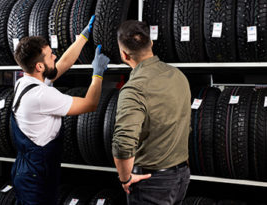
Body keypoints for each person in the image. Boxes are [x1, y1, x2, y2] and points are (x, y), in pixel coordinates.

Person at [10, 16, 110, 204]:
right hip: (36, 178)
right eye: (49, 55)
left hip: (28, 170)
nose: (54, 55)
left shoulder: (25, 81)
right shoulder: (41, 95)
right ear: (39, 66)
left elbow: (60, 66)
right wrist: (97, 74)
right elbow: (90, 104)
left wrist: (83, 37)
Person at [112, 20, 191, 205]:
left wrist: (125, 179)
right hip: (181, 176)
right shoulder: (178, 75)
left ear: (124, 54)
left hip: (151, 182)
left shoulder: (134, 89)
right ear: (151, 43)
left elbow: (123, 144)